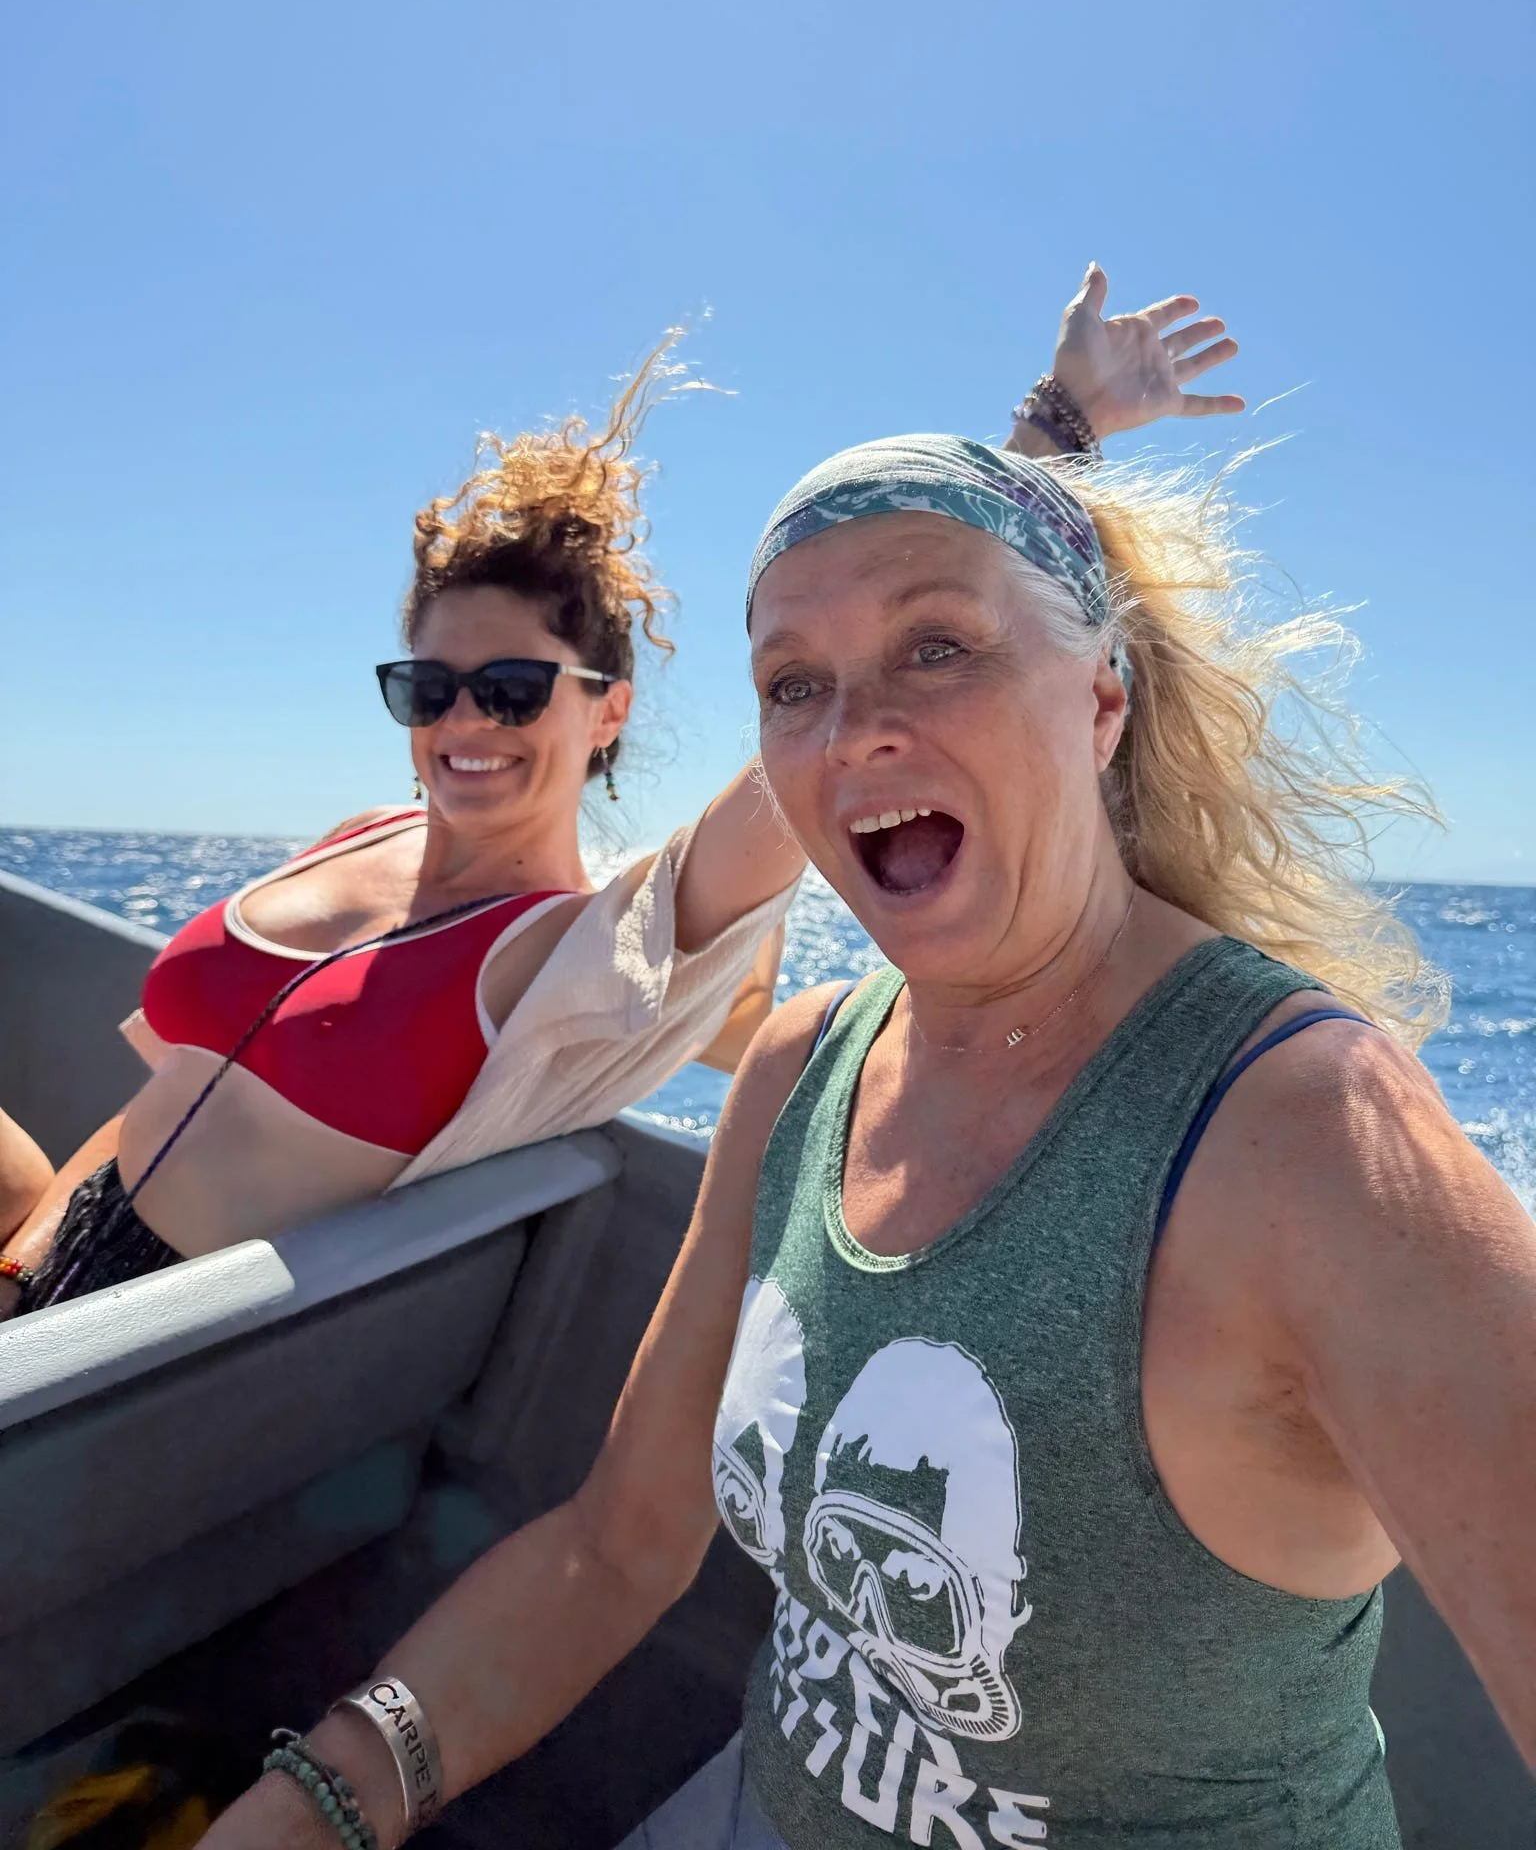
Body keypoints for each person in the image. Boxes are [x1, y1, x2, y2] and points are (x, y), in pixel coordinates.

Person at [200, 400, 1536, 1848]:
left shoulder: (1308, 1145)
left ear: (1103, 699)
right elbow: (616, 1546)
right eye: (791, 684)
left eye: (937, 647)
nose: (853, 733)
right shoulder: (795, 1074)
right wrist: (331, 1797)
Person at [0, 267, 1240, 1317]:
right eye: (425, 687)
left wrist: (1050, 432)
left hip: (117, 1346)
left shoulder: (572, 956)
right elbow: (168, 1094)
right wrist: (34, 1240)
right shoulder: (355, 841)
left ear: (609, 706)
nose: (463, 722)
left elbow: (813, 758)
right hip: (52, 1241)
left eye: (511, 687)